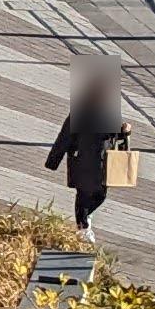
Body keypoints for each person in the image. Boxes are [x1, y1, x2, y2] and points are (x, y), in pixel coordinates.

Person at [46, 62, 134, 231]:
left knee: (100, 195)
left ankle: (84, 222)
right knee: (84, 194)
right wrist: (53, 161)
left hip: (102, 163)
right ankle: (83, 227)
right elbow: (65, 137)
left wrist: (125, 131)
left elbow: (115, 136)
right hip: (84, 160)